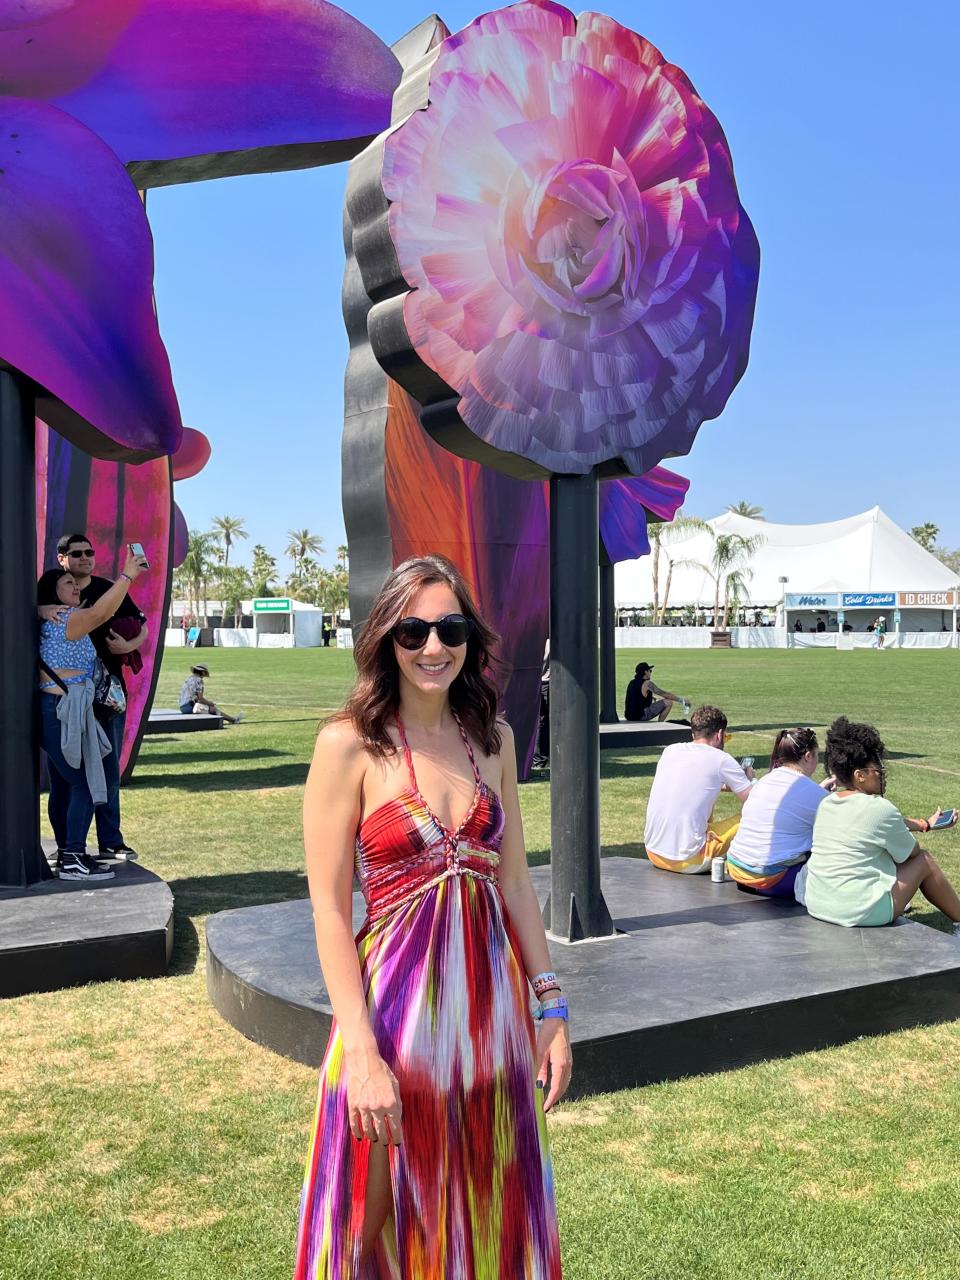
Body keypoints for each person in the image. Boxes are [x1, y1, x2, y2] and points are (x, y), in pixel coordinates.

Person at [294, 554, 568, 1276]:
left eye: (450, 629)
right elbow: (328, 906)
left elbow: (513, 880)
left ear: (472, 639)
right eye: (412, 631)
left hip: (488, 1024)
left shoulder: (496, 740)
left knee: (484, 1201)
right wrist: (362, 1054)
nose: (432, 647)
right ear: (386, 638)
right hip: (393, 1023)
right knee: (366, 1220)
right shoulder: (349, 743)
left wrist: (552, 1006)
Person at [36, 550, 146, 880]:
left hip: (65, 710)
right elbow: (100, 613)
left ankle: (70, 851)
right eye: (68, 582)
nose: (76, 586)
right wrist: (127, 575)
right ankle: (72, 856)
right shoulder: (64, 621)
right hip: (63, 712)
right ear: (52, 592)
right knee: (84, 783)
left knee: (67, 785)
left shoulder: (57, 616)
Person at [795, 718, 960, 932]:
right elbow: (912, 853)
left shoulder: (827, 803)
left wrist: (924, 824)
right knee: (924, 861)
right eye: (877, 768)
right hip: (857, 911)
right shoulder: (880, 808)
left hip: (817, 903)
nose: (882, 772)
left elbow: (869, 826)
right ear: (860, 776)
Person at [644, 704, 756, 873]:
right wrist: (750, 781)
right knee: (753, 817)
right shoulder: (721, 759)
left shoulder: (670, 751)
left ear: (693, 734)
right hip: (688, 859)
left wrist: (732, 785)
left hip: (653, 852)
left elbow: (697, 784)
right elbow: (755, 801)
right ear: (719, 734)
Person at [726, 728, 834, 897]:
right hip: (773, 880)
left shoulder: (764, 781)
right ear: (807, 756)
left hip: (737, 870)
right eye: (816, 755)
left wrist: (818, 790)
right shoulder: (815, 795)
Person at [624, 661, 689, 723]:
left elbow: (636, 696)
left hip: (629, 716)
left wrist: (651, 698)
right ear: (646, 672)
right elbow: (664, 694)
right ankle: (660, 725)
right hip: (641, 716)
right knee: (669, 702)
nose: (650, 673)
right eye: (650, 671)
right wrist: (682, 700)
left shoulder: (632, 682)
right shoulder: (647, 683)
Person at [178, 663, 243, 723]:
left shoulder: (189, 678)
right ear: (203, 672)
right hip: (189, 707)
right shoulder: (199, 680)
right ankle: (233, 720)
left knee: (207, 707)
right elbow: (200, 698)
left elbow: (195, 697)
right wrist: (210, 703)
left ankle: (231, 720)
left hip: (182, 707)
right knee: (213, 710)